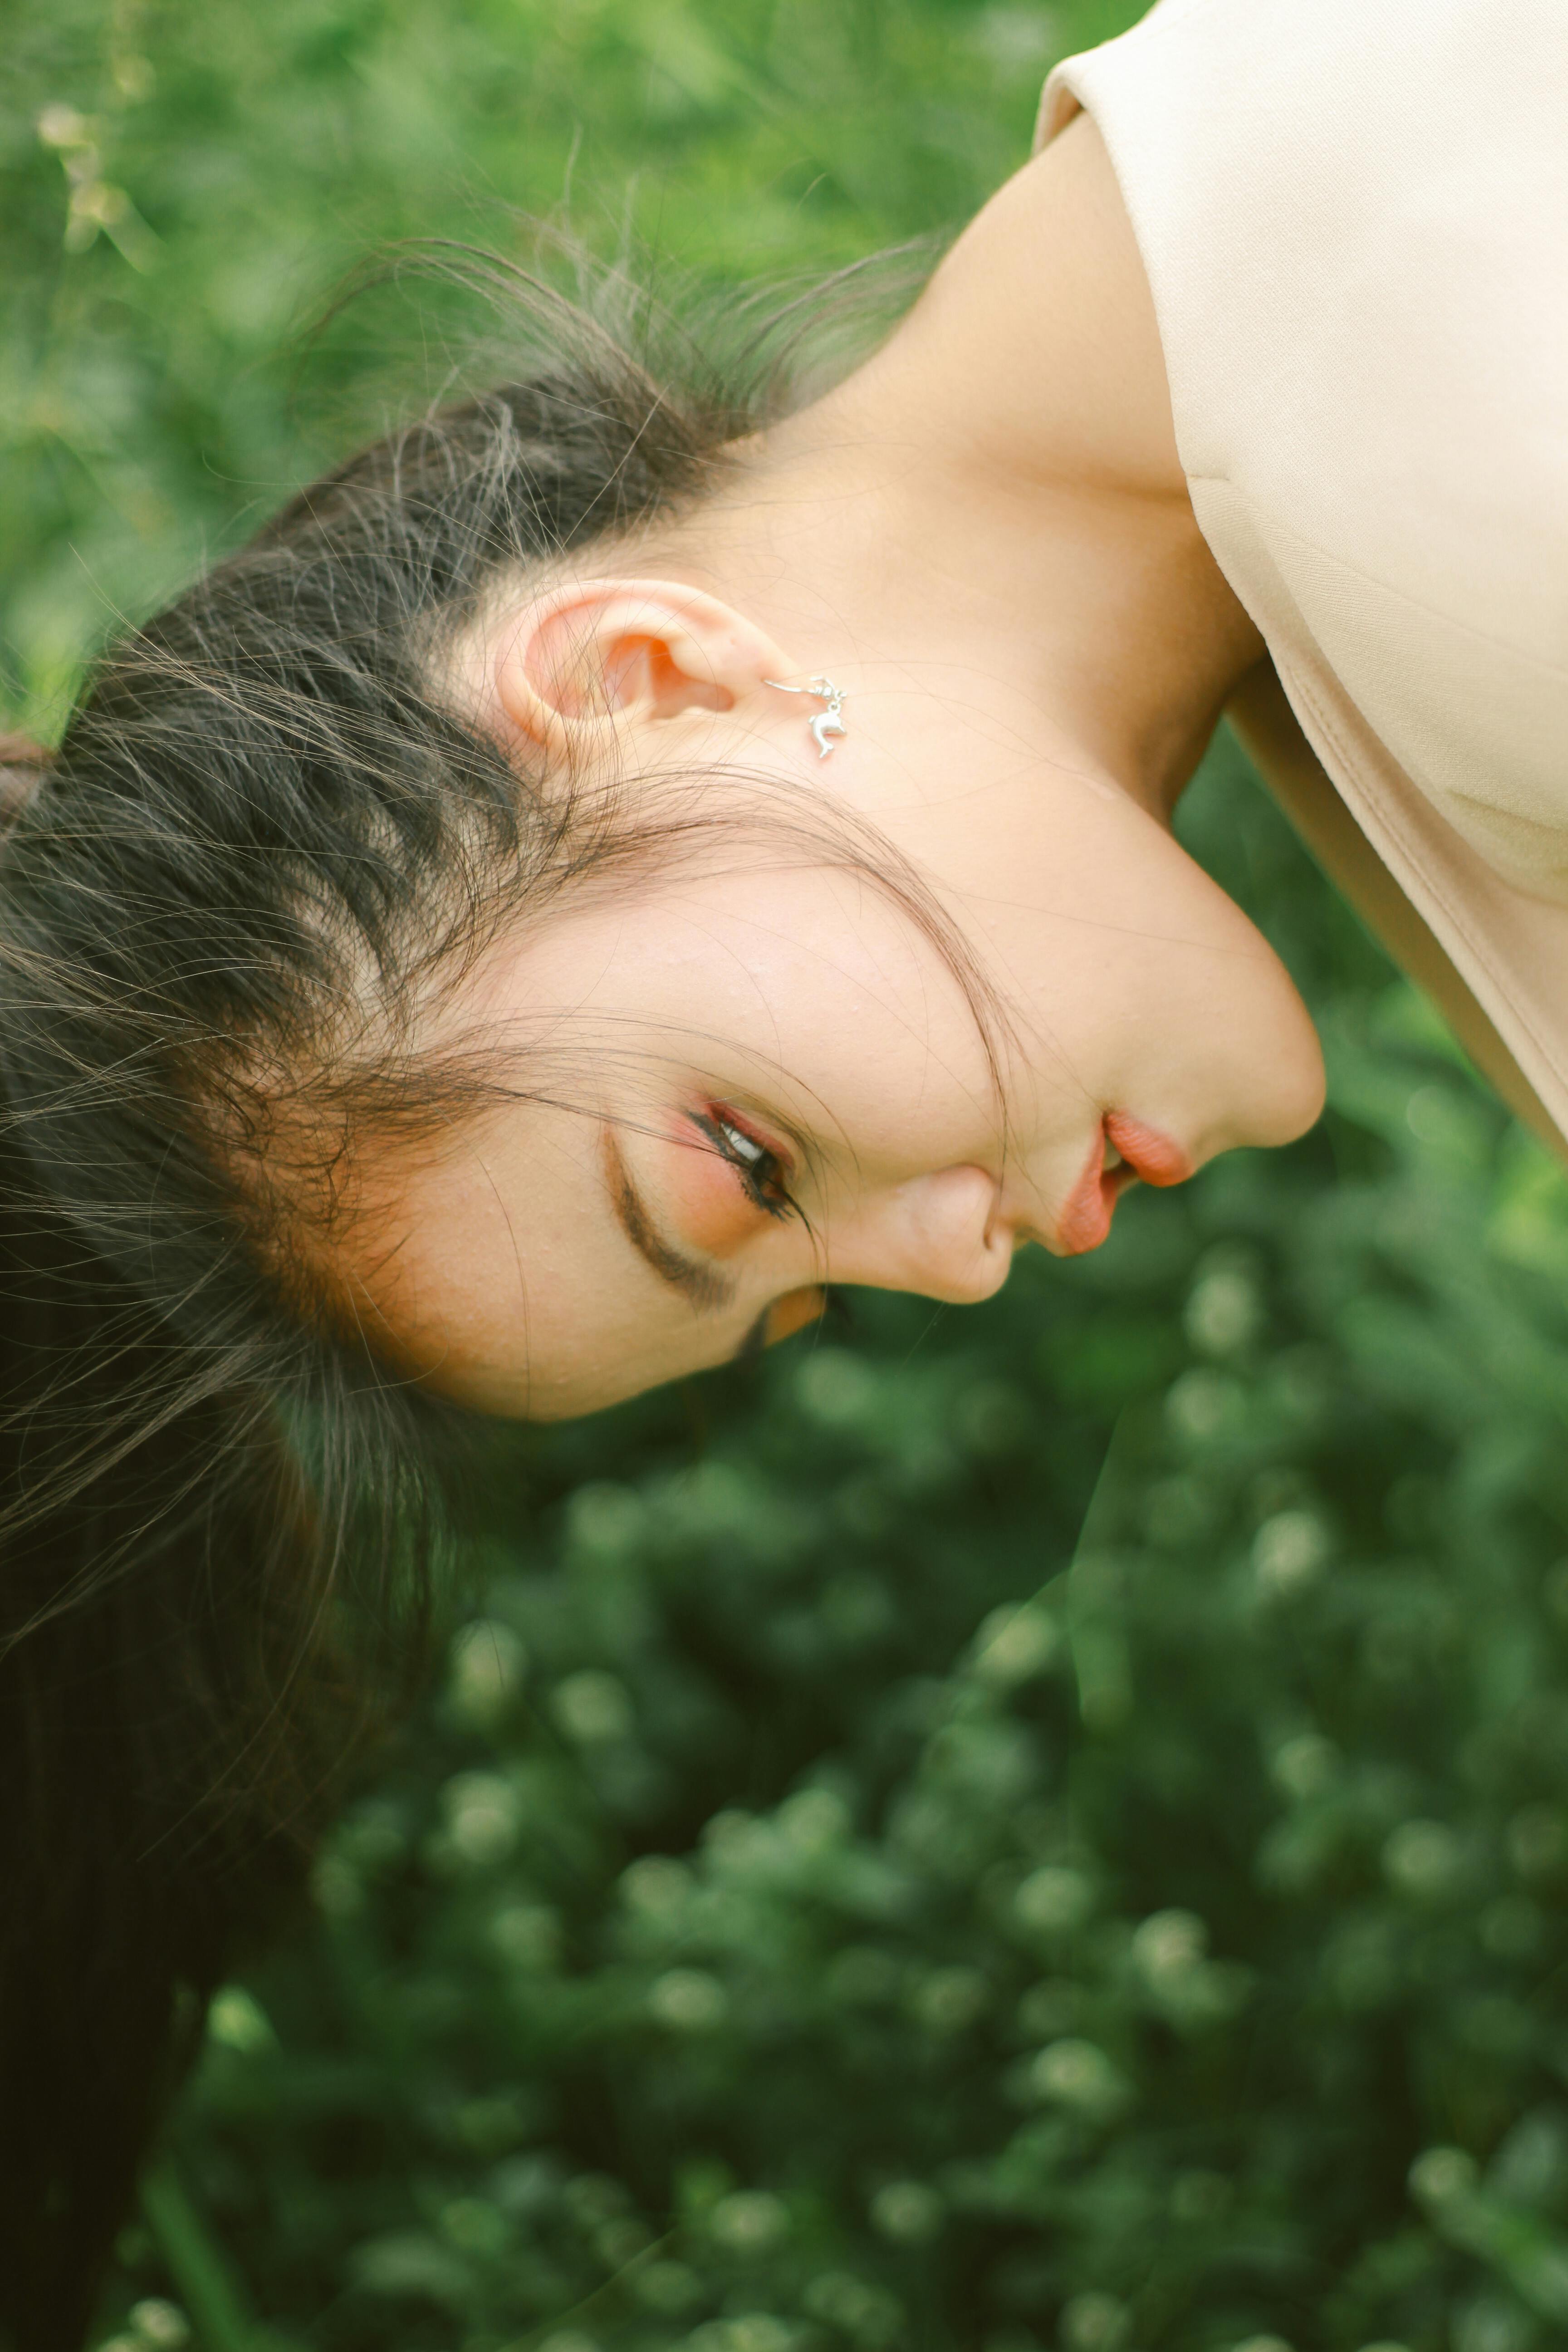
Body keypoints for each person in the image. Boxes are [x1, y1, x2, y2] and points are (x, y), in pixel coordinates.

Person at [3, 0, 1563, 2336]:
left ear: (642, 679)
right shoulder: (1308, 434)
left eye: (742, 1166)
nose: (949, 1271)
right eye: (792, 1293)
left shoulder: (1457, 431)